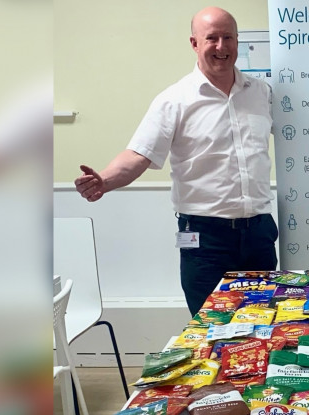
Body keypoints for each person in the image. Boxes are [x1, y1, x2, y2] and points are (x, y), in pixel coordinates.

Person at [74, 6, 277, 316]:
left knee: (263, 326)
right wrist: (105, 180)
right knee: (211, 332)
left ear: (238, 41)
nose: (221, 47)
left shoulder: (261, 93)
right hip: (204, 241)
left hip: (259, 234)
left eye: (228, 38)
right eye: (212, 38)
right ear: (194, 43)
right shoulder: (174, 100)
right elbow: (138, 155)